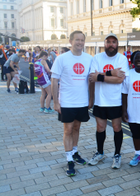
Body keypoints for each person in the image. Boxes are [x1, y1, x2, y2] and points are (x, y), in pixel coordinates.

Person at [51, 31, 94, 177]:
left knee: (77, 127)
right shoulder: (62, 59)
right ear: (70, 41)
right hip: (67, 102)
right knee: (68, 130)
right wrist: (56, 102)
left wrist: (90, 99)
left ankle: (75, 152)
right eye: (77, 40)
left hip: (81, 101)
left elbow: (91, 80)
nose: (80, 43)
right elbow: (54, 81)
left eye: (82, 40)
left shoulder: (89, 58)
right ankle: (69, 159)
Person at [88, 33, 129, 169]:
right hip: (100, 101)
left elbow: (120, 80)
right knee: (100, 128)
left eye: (114, 42)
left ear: (117, 44)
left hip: (115, 101)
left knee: (117, 128)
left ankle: (117, 155)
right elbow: (92, 78)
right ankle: (100, 153)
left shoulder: (122, 59)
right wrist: (111, 73)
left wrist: (100, 76)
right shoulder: (97, 58)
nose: (111, 44)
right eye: (108, 42)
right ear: (104, 44)